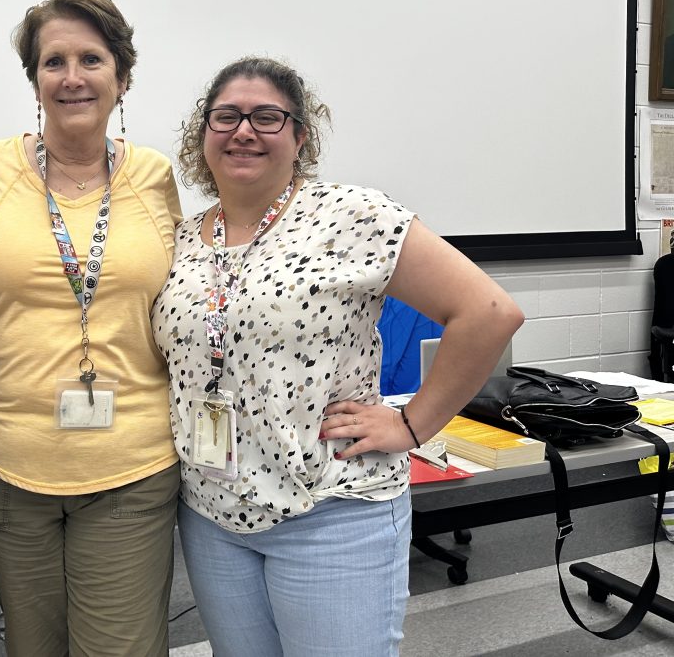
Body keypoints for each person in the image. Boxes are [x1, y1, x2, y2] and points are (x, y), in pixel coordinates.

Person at [151, 56, 524, 657]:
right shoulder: (181, 237)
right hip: (210, 512)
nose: (243, 131)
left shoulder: (353, 218)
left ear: (300, 136)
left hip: (330, 510)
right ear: (204, 135)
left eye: (267, 117)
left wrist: (412, 423)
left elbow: (489, 313)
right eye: (226, 117)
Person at [0, 0, 182, 656]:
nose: (72, 77)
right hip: (9, 468)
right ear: (35, 79)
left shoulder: (153, 176)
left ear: (122, 77)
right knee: (34, 648)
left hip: (131, 466)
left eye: (92, 58)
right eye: (53, 61)